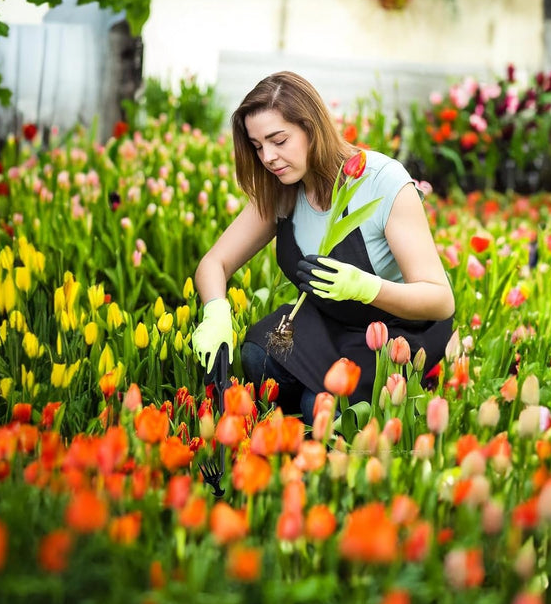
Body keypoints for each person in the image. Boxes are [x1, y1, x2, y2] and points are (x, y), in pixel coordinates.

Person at [192, 71, 455, 425]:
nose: (268, 157)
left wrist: (366, 287)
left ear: (311, 129)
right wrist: (216, 311)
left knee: (320, 405)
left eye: (279, 140)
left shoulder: (381, 182)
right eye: (257, 146)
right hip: (331, 321)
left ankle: (382, 389)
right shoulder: (282, 187)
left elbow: (440, 300)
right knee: (257, 356)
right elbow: (214, 262)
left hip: (396, 329)